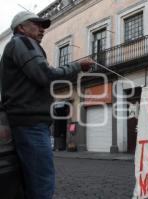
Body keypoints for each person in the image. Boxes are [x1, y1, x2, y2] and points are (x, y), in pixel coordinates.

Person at [0, 11, 94, 199]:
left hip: (25, 121)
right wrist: (77, 67)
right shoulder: (24, 43)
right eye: (37, 24)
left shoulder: (18, 46)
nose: (43, 29)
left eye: (44, 26)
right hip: (31, 122)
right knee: (42, 181)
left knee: (29, 179)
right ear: (21, 27)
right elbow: (45, 74)